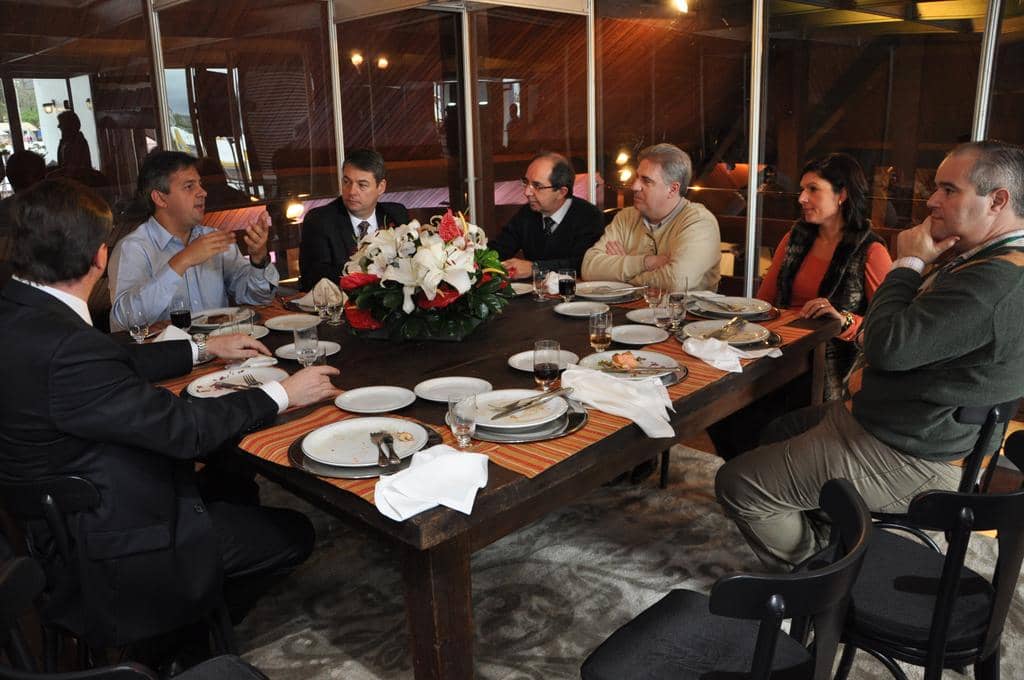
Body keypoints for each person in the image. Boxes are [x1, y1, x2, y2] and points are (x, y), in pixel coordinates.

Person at [0, 178, 340, 656]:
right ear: (100, 256)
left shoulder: (21, 313)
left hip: (51, 519)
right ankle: (180, 647)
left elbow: (111, 361)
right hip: (107, 542)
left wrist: (202, 348)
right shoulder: (68, 348)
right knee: (294, 533)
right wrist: (282, 393)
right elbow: (185, 430)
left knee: (231, 479)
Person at [715, 141, 1024, 571]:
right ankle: (829, 532)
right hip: (895, 422)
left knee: (737, 483)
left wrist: (909, 262)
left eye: (948, 189)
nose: (931, 200)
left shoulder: (997, 281)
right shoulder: (980, 261)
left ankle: (817, 577)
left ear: (998, 201)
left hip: (915, 452)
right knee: (778, 429)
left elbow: (886, 346)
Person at [756, 153, 892, 401]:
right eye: (802, 189)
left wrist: (843, 320)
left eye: (813, 189)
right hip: (780, 353)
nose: (801, 198)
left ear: (842, 195)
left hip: (829, 368)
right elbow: (763, 302)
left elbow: (887, 328)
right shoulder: (794, 238)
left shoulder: (871, 251)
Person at [108, 151, 278, 331]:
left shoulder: (213, 238)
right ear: (160, 198)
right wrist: (182, 261)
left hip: (223, 344)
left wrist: (259, 260)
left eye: (200, 184)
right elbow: (125, 320)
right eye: (189, 186)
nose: (203, 193)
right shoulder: (133, 248)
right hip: (167, 348)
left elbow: (259, 298)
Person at [582, 143, 720, 292]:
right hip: (629, 306)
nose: (634, 186)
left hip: (685, 308)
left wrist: (621, 272)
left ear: (673, 189)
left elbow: (677, 281)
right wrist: (647, 262)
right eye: (637, 177)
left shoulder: (699, 222)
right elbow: (589, 268)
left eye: (646, 181)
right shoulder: (626, 216)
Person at [299, 148, 409, 291]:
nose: (351, 192)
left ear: (381, 187)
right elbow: (314, 277)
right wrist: (364, 274)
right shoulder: (319, 221)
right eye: (347, 182)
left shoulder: (397, 214)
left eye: (362, 185)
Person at [491, 152, 604, 279]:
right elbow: (498, 250)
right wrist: (474, 254)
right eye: (526, 182)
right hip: (534, 290)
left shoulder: (590, 216)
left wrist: (535, 268)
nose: (527, 192)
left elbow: (583, 264)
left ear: (561, 192)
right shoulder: (527, 213)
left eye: (537, 186)